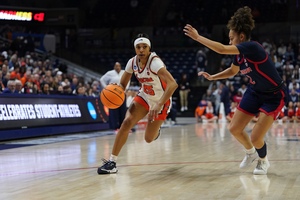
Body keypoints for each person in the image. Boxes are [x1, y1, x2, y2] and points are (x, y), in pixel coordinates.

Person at [183, 6, 287, 175]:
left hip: (274, 95)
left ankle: (263, 161)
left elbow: (222, 49)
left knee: (255, 137)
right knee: (234, 128)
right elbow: (233, 71)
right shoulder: (239, 55)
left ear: (242, 36)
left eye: (231, 38)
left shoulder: (253, 48)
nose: (230, 42)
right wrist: (213, 77)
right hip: (255, 92)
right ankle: (250, 152)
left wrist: (198, 37)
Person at [97, 33, 178, 174]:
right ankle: (112, 162)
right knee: (127, 122)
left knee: (148, 139)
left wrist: (159, 103)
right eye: (138, 47)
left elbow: (173, 84)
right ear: (135, 49)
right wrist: (116, 91)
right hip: (145, 96)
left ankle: (155, 131)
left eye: (144, 47)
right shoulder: (132, 62)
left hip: (162, 100)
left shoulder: (155, 63)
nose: (141, 50)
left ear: (149, 48)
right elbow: (123, 84)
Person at [100, 62, 128, 130]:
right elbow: (101, 80)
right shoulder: (110, 73)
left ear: (120, 67)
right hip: (112, 94)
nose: (117, 67)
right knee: (113, 110)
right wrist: (106, 88)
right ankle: (114, 126)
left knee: (123, 110)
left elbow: (128, 80)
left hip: (121, 94)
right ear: (114, 67)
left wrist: (126, 89)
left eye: (118, 66)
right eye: (116, 66)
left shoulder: (124, 72)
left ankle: (122, 126)